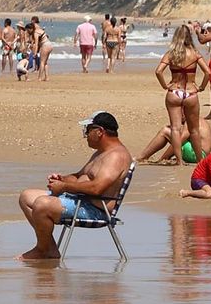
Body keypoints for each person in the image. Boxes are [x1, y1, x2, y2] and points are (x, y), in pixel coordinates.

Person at [17, 111, 132, 261]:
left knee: (42, 204)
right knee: (26, 196)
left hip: (96, 210)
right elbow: (79, 176)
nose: (85, 135)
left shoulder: (116, 156)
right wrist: (62, 179)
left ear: (99, 132)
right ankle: (48, 248)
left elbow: (97, 188)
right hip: (81, 201)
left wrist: (64, 187)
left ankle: (42, 250)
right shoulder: (101, 153)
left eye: (88, 130)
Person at [155, 25, 209, 167]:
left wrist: (164, 85)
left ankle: (179, 161)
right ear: (189, 37)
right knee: (194, 129)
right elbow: (208, 72)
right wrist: (201, 87)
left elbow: (158, 71)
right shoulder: (195, 53)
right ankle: (200, 161)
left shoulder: (171, 53)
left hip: (174, 91)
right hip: (190, 92)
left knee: (175, 128)